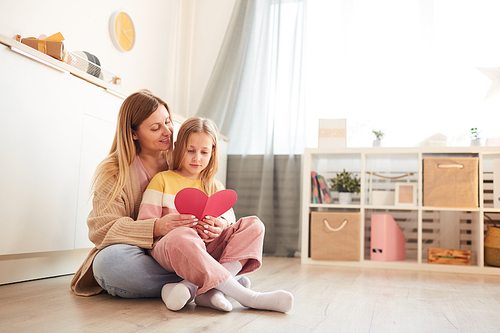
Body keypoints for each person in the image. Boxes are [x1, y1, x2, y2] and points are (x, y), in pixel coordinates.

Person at [137, 117, 294, 313]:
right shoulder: (162, 180)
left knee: (255, 224)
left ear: (212, 152)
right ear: (178, 148)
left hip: (208, 248)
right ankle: (248, 297)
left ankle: (200, 290)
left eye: (204, 152)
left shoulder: (214, 185)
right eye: (190, 151)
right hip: (172, 249)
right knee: (183, 236)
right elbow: (144, 223)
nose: (197, 158)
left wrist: (219, 226)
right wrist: (168, 225)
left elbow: (230, 222)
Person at [70, 91, 198, 298]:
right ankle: (206, 280)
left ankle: (194, 281)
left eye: (167, 122)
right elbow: (102, 229)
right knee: (109, 263)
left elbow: (211, 196)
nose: (167, 131)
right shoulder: (114, 172)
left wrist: (217, 223)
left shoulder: (184, 159)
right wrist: (157, 226)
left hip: (184, 247)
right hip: (141, 254)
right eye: (156, 128)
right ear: (133, 133)